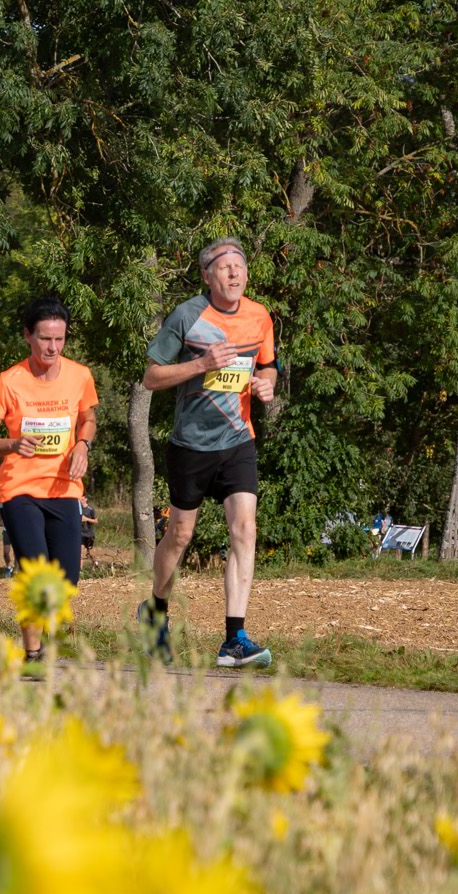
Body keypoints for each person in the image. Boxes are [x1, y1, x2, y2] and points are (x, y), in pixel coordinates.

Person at [139, 236, 279, 668]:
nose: (234, 272)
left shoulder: (259, 316)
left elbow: (267, 364)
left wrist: (267, 383)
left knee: (245, 529)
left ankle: (234, 638)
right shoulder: (187, 315)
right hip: (191, 444)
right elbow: (151, 376)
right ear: (206, 276)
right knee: (180, 535)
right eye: (223, 267)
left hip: (238, 439)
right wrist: (200, 364)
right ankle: (155, 613)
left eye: (239, 265)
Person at [0, 293, 99, 663]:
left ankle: (41, 634)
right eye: (45, 338)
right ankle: (33, 652)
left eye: (60, 339)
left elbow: (88, 418)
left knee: (66, 581)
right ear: (28, 336)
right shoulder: (10, 382)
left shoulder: (80, 376)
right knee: (33, 565)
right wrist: (12, 443)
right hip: (20, 488)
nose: (53, 347)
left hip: (64, 488)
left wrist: (82, 446)